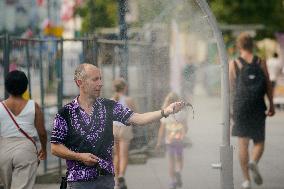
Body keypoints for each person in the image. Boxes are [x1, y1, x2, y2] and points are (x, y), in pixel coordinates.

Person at [50, 63, 186, 189]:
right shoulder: (65, 113)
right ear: (80, 83)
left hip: (106, 179)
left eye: (100, 79)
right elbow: (55, 147)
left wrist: (165, 111)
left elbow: (138, 118)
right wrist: (79, 157)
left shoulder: (109, 106)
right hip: (79, 181)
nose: (100, 83)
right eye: (95, 79)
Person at [229, 32, 275, 189]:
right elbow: (268, 83)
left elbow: (231, 89)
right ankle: (254, 161)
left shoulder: (234, 63)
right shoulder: (260, 62)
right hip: (257, 105)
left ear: (239, 46)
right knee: (259, 141)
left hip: (241, 106)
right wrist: (272, 105)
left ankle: (246, 180)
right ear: (252, 45)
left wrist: (230, 109)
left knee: (242, 143)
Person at [0, 70, 47, 189]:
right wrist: (44, 149)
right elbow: (42, 132)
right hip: (26, 151)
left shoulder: (0, 107)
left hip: (4, 151)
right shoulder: (33, 106)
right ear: (25, 87)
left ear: (6, 87)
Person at [156, 92, 188, 189]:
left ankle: (173, 181)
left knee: (171, 162)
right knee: (179, 158)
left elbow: (161, 130)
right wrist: (183, 133)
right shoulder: (182, 113)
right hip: (179, 139)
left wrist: (158, 142)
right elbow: (186, 128)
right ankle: (178, 171)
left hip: (169, 140)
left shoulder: (165, 114)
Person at [112, 78, 136, 189]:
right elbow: (135, 114)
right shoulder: (128, 100)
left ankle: (116, 182)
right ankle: (121, 175)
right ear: (125, 87)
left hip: (113, 129)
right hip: (125, 128)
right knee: (123, 155)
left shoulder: (111, 100)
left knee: (116, 155)